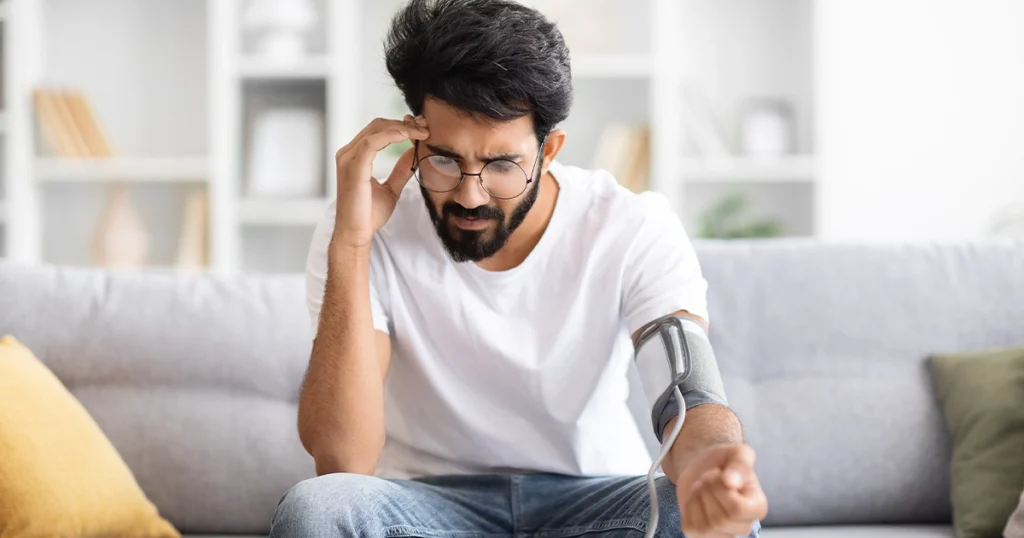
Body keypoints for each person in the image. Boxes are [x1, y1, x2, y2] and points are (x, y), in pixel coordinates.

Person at [270, 0, 768, 536]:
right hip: (426, 507)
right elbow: (343, 460)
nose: (470, 195)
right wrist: (351, 245)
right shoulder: (362, 225)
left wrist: (709, 466)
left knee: (690, 513)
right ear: (412, 141)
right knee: (318, 507)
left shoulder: (630, 224)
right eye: (444, 159)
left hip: (595, 500)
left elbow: (687, 391)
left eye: (503, 164)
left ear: (549, 151)